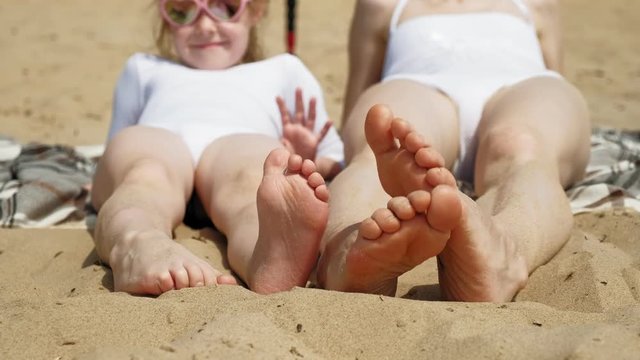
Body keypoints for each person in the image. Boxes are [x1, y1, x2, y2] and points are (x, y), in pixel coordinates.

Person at [316, 0, 591, 302]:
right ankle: (346, 252)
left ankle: (505, 251)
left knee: (523, 144)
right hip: (420, 87)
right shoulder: (381, 4)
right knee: (379, 144)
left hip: (521, 87)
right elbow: (357, 100)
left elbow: (557, 80)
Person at [91, 0, 344, 296]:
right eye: (182, 10)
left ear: (255, 11)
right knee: (143, 174)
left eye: (225, 7)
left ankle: (267, 258)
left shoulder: (284, 69)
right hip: (161, 141)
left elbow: (335, 157)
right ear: (164, 17)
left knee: (252, 180)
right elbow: (113, 155)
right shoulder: (144, 68)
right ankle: (139, 243)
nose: (205, 24)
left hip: (237, 146)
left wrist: (309, 157)